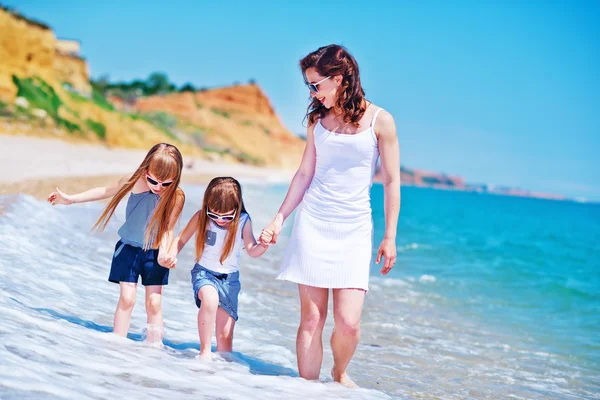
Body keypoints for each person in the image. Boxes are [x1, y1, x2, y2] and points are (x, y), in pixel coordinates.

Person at [260, 44, 401, 387]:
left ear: (338, 79)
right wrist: (279, 217)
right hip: (313, 222)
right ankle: (307, 391)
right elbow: (304, 174)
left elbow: (392, 181)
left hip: (353, 229)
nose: (311, 92)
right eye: (309, 86)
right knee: (312, 318)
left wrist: (390, 236)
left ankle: (339, 373)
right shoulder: (316, 120)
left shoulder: (380, 121)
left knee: (349, 322)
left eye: (315, 85)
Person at [47, 143, 185, 341]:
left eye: (166, 184)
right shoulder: (136, 181)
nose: (158, 187)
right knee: (127, 299)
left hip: (155, 254)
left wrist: (164, 253)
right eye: (153, 181)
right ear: (146, 170)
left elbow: (168, 229)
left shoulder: (176, 197)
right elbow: (105, 190)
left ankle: (154, 349)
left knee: (154, 303)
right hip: (128, 249)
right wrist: (71, 199)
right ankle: (116, 345)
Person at [162, 177, 268, 359]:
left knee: (225, 338)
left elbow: (252, 250)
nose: (219, 220)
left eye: (226, 216)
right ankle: (204, 354)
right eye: (214, 215)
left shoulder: (243, 221)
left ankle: (220, 376)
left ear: (237, 208)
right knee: (209, 300)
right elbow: (181, 238)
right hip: (204, 273)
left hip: (229, 281)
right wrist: (171, 254)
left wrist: (264, 244)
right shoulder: (202, 216)